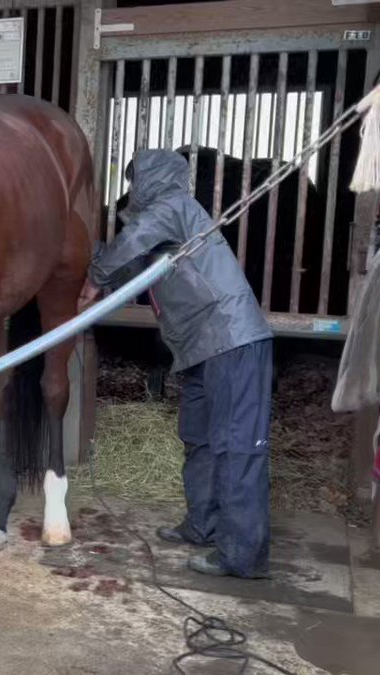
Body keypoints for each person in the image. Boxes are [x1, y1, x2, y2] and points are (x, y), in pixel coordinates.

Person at [80, 149, 274, 579]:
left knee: (236, 445)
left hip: (232, 340)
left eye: (135, 180)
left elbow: (127, 246)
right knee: (199, 437)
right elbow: (131, 267)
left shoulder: (175, 207)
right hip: (200, 349)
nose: (131, 190)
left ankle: (241, 556)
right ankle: (202, 525)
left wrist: (95, 276)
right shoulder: (162, 231)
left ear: (152, 180)